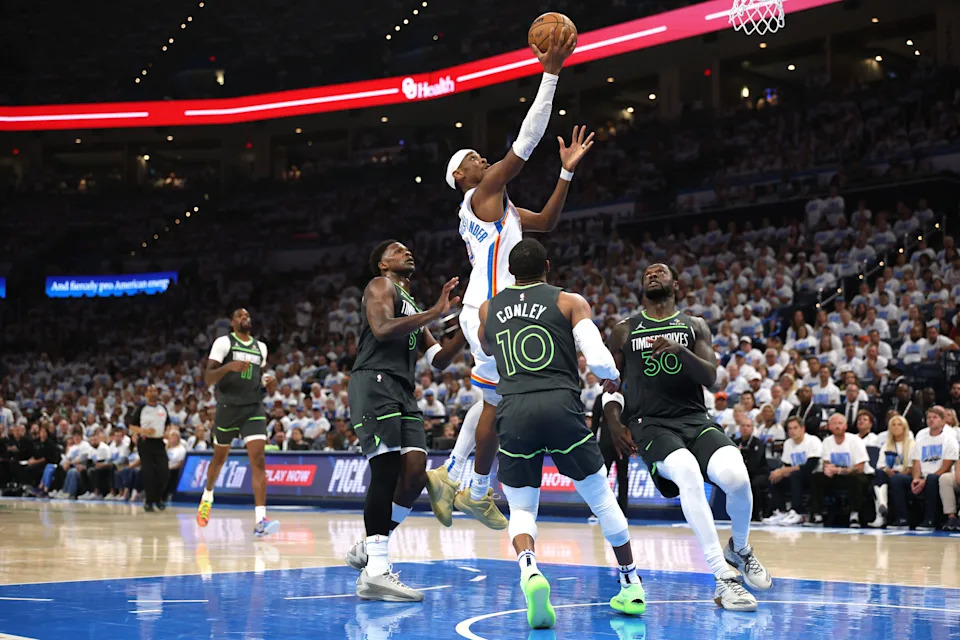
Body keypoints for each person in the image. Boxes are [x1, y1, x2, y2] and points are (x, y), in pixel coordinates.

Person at [425, 27, 583, 530]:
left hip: (492, 307)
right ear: (462, 179)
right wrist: (550, 75)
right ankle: (468, 485)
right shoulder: (481, 195)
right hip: (490, 310)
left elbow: (548, 223)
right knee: (502, 399)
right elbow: (525, 143)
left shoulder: (499, 207)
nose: (482, 158)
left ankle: (457, 478)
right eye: (473, 160)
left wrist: (565, 173)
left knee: (493, 398)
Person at [478, 239, 645, 628]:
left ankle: (530, 570)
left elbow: (486, 349)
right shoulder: (569, 302)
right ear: (548, 267)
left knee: (522, 509)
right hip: (560, 405)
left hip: (514, 408)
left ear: (511, 272)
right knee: (602, 500)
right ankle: (630, 582)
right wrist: (613, 377)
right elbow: (598, 358)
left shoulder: (489, 308)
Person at [604, 262, 771, 612]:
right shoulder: (624, 330)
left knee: (737, 478)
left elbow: (710, 377)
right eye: (647, 273)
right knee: (687, 472)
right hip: (650, 424)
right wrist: (613, 421)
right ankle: (723, 578)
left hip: (695, 418)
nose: (653, 274)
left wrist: (681, 351)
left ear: (676, 284)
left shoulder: (695, 326)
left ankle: (739, 548)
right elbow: (611, 385)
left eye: (661, 272)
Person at [344, 240, 466, 602]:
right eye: (397, 250)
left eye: (408, 249)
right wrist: (435, 311)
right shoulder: (379, 286)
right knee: (386, 472)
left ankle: (371, 545)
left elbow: (439, 359)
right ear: (383, 264)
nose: (407, 252)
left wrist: (468, 328)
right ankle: (375, 572)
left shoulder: (410, 304)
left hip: (402, 389)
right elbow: (382, 328)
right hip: (374, 382)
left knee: (414, 473)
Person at [196, 308, 279, 536]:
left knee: (258, 459)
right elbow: (208, 378)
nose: (245, 318)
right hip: (228, 408)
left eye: (248, 316)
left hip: (253, 407)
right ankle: (207, 496)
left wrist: (270, 385)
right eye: (241, 316)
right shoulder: (224, 343)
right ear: (232, 323)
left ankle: (261, 521)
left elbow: (260, 379)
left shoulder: (260, 347)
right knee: (219, 458)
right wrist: (228, 367)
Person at [890, 406, 958, 531]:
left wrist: (925, 481)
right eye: (929, 417)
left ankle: (930, 520)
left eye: (935, 417)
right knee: (896, 479)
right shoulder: (921, 439)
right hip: (922, 476)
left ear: (943, 421)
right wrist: (916, 479)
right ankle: (902, 519)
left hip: (938, 477)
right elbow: (916, 462)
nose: (931, 420)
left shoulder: (949, 440)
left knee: (932, 478)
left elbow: (946, 467)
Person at [806, 414, 870, 528]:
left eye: (840, 423)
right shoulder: (827, 441)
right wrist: (828, 469)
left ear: (846, 426)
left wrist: (839, 470)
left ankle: (854, 515)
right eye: (834, 424)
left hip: (859, 474)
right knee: (816, 477)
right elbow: (826, 462)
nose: (837, 426)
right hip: (837, 474)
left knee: (854, 479)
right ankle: (817, 514)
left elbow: (860, 467)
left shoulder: (855, 440)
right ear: (829, 427)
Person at [765, 416, 822, 525]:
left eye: (795, 428)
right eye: (790, 428)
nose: (792, 431)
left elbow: (809, 467)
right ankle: (781, 511)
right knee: (773, 476)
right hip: (795, 476)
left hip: (814, 476)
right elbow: (787, 465)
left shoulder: (813, 441)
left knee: (794, 475)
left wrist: (783, 471)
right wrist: (780, 473)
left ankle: (798, 512)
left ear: (802, 428)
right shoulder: (788, 443)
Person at [130, 385, 171, 512]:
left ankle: (158, 498)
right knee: (148, 473)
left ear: (157, 393)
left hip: (159, 442)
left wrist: (167, 432)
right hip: (145, 442)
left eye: (154, 391)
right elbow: (132, 426)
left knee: (164, 471)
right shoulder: (141, 408)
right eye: (150, 391)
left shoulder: (162, 408)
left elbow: (168, 424)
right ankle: (149, 501)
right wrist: (144, 431)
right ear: (146, 394)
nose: (152, 393)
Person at [870, 414, 913, 528]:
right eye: (893, 425)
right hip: (889, 474)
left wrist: (898, 472)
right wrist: (888, 470)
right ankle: (883, 507)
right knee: (878, 474)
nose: (896, 427)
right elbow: (880, 465)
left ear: (904, 427)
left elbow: (912, 467)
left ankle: (900, 518)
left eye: (899, 424)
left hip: (906, 475)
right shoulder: (886, 445)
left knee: (895, 479)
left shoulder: (912, 444)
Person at [591, 393, 629, 513]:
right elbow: (595, 421)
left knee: (622, 477)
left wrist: (633, 441)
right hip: (605, 443)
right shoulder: (600, 398)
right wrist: (591, 443)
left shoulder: (627, 398)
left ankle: (623, 511)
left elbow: (631, 420)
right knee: (601, 477)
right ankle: (598, 510)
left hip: (622, 443)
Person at [733, 415, 770, 521]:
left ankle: (756, 514)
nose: (745, 428)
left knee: (754, 483)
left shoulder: (758, 443)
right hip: (740, 473)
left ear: (752, 428)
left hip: (758, 473)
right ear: (739, 428)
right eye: (743, 426)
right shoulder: (735, 442)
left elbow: (755, 463)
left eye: (748, 426)